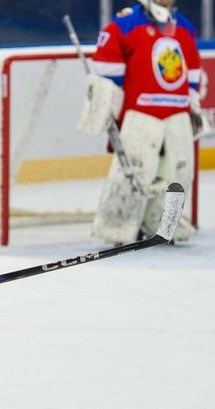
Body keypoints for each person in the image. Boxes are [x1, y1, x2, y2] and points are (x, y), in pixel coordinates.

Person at [77, 0, 206, 245]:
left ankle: (163, 223)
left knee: (178, 173)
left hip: (177, 115)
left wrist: (194, 106)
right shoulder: (124, 24)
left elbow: (192, 72)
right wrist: (109, 109)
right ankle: (119, 227)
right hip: (140, 116)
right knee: (133, 173)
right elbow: (108, 76)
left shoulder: (184, 27)